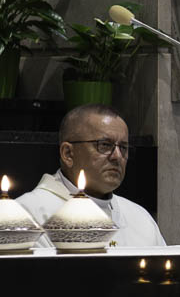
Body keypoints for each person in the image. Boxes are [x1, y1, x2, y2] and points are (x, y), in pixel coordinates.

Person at [18, 105, 164, 248]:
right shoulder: (28, 216)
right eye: (105, 145)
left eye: (123, 148)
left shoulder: (141, 219)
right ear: (68, 154)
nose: (117, 156)